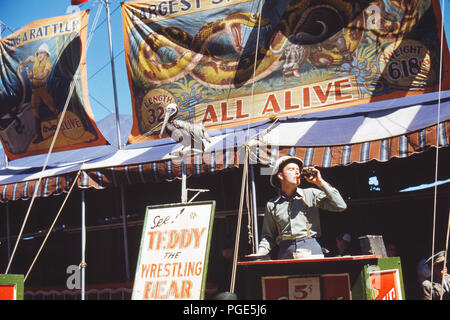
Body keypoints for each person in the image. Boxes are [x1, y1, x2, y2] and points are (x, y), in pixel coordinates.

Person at [249, 156, 347, 260]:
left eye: (298, 170)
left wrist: (320, 183)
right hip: (285, 251)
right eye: (291, 169)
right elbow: (268, 237)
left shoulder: (311, 194)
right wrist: (259, 253)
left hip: (310, 248)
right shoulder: (272, 204)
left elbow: (340, 206)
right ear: (280, 175)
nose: (297, 173)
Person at [20, 42, 58, 143]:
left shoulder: (48, 64)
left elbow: (44, 75)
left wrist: (33, 76)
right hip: (35, 90)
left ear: (46, 54)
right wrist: (22, 64)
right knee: (35, 111)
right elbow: (29, 58)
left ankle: (62, 127)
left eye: (42, 53)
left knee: (52, 106)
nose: (40, 55)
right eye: (39, 53)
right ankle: (39, 136)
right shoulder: (36, 59)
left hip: (43, 89)